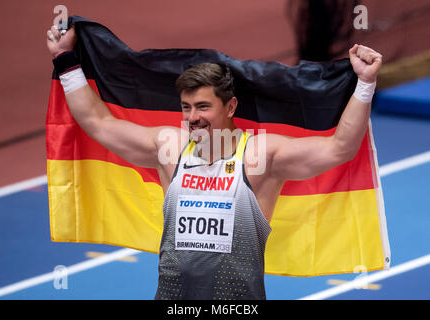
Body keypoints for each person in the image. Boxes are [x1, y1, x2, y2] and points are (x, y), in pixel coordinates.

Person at [46, 24, 382, 300]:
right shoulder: (171, 149)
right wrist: (65, 59)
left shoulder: (258, 157)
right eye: (186, 107)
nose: (193, 117)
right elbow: (98, 124)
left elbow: (340, 148)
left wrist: (365, 83)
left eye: (203, 107)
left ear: (231, 107)